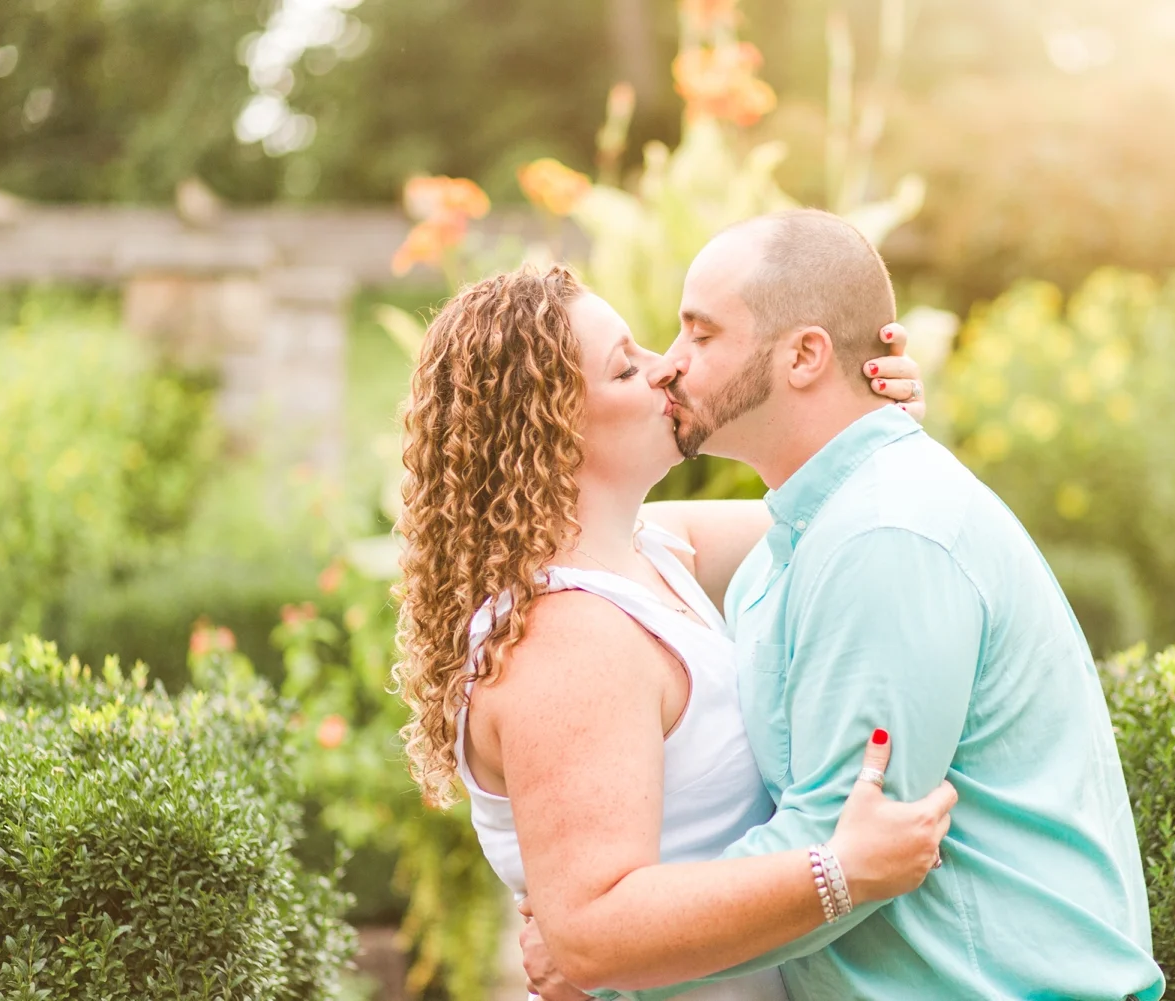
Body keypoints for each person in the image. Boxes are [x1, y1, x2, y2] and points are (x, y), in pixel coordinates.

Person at [528, 207, 1163, 1000]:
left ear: (803, 354)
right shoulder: (803, 533)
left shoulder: (885, 536)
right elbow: (606, 540)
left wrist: (615, 955)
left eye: (701, 334)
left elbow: (839, 847)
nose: (671, 365)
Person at [392, 262, 957, 1001]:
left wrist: (870, 409)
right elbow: (593, 932)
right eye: (628, 366)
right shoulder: (570, 641)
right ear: (552, 429)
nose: (669, 369)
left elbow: (840, 514)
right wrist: (840, 871)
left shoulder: (653, 546)